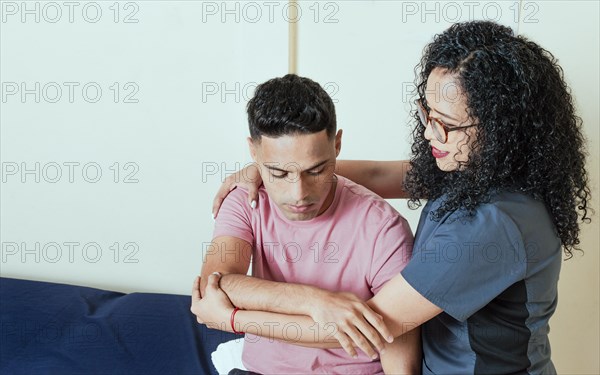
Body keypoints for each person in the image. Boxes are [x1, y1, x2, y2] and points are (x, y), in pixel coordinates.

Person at [208, 21, 592, 374]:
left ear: (500, 128)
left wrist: (232, 318)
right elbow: (377, 174)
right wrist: (277, 167)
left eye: (448, 125)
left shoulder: (490, 225)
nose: (430, 134)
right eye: (428, 114)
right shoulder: (470, 168)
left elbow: (371, 323)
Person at [191, 74, 419, 374]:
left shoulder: (383, 228)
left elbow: (396, 349)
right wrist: (315, 301)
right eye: (279, 173)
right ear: (253, 152)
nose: (298, 194)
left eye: (316, 170)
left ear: (337, 145)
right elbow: (217, 285)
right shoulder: (245, 200)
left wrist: (236, 318)